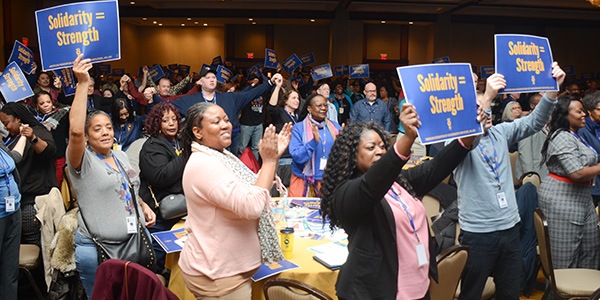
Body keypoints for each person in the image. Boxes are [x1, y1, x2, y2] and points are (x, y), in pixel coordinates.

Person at [320, 102, 484, 299]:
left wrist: (469, 132)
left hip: (419, 287)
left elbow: (438, 167)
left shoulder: (400, 183)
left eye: (382, 146)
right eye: (371, 148)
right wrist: (408, 137)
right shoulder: (347, 194)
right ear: (352, 156)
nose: (380, 151)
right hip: (375, 293)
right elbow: (372, 184)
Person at [452, 64, 565, 300]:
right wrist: (488, 96)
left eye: (488, 108)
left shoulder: (500, 133)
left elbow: (534, 122)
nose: (487, 113)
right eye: (480, 109)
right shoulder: (454, 142)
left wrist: (552, 91)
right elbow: (466, 139)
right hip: (478, 233)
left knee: (509, 293)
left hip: (510, 228)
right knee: (471, 294)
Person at [178, 102, 291, 298]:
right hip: (218, 275)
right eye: (216, 122)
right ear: (198, 132)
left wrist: (273, 158)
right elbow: (253, 205)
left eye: (226, 119)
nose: (225, 125)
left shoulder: (221, 156)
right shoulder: (204, 165)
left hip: (228, 270)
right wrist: (270, 161)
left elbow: (252, 189)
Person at [67, 54, 156, 298]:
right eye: (97, 129)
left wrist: (142, 205)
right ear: (87, 137)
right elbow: (74, 131)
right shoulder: (82, 162)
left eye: (108, 127)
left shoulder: (120, 156)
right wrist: (83, 84)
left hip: (133, 244)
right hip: (98, 250)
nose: (105, 132)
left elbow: (128, 188)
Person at [539, 95, 600, 270]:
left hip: (582, 197)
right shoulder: (561, 137)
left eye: (583, 111)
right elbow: (577, 172)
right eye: (579, 111)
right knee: (565, 257)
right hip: (562, 199)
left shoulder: (575, 135)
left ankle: (585, 292)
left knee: (591, 249)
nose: (584, 115)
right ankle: (562, 294)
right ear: (564, 115)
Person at [169, 66, 281, 156]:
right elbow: (167, 105)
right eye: (207, 78)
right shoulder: (191, 100)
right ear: (200, 82)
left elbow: (251, 94)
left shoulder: (229, 98)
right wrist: (152, 97)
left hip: (230, 143)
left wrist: (270, 83)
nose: (212, 79)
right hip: (206, 148)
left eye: (213, 77)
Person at [0, 102, 57, 247]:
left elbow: (49, 152)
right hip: (20, 198)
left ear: (18, 119)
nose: (5, 127)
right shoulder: (11, 138)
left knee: (35, 242)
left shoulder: (39, 130)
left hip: (35, 199)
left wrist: (33, 138)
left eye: (6, 123)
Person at [138, 102, 185, 274]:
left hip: (180, 212)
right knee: (159, 259)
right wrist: (186, 153)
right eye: (165, 120)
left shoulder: (179, 142)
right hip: (160, 216)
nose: (172, 123)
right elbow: (161, 177)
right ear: (157, 123)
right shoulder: (151, 147)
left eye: (174, 119)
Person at [289, 94, 340, 197]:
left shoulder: (335, 127)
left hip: (329, 180)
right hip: (303, 180)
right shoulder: (298, 128)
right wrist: (313, 142)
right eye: (319, 105)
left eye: (325, 105)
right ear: (309, 108)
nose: (323, 108)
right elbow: (297, 155)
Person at [0, 123, 26, 300]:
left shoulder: (1, 145)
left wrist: (24, 135)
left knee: (10, 272)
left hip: (13, 211)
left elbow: (14, 158)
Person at [266, 77, 300, 187]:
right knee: (278, 191)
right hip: (283, 159)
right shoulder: (280, 113)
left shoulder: (299, 116)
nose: (297, 101)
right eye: (293, 98)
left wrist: (296, 90)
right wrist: (278, 87)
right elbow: (271, 108)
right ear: (285, 100)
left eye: (298, 98)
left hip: (295, 159)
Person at [33, 91, 70, 185]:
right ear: (37, 106)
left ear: (52, 102)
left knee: (58, 182)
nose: (46, 105)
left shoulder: (62, 114)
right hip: (43, 157)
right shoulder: (34, 120)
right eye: (42, 103)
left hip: (59, 155)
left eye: (48, 102)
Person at [578, 90, 600, 207]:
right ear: (590, 111)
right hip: (593, 186)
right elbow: (587, 157)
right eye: (599, 110)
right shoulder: (582, 130)